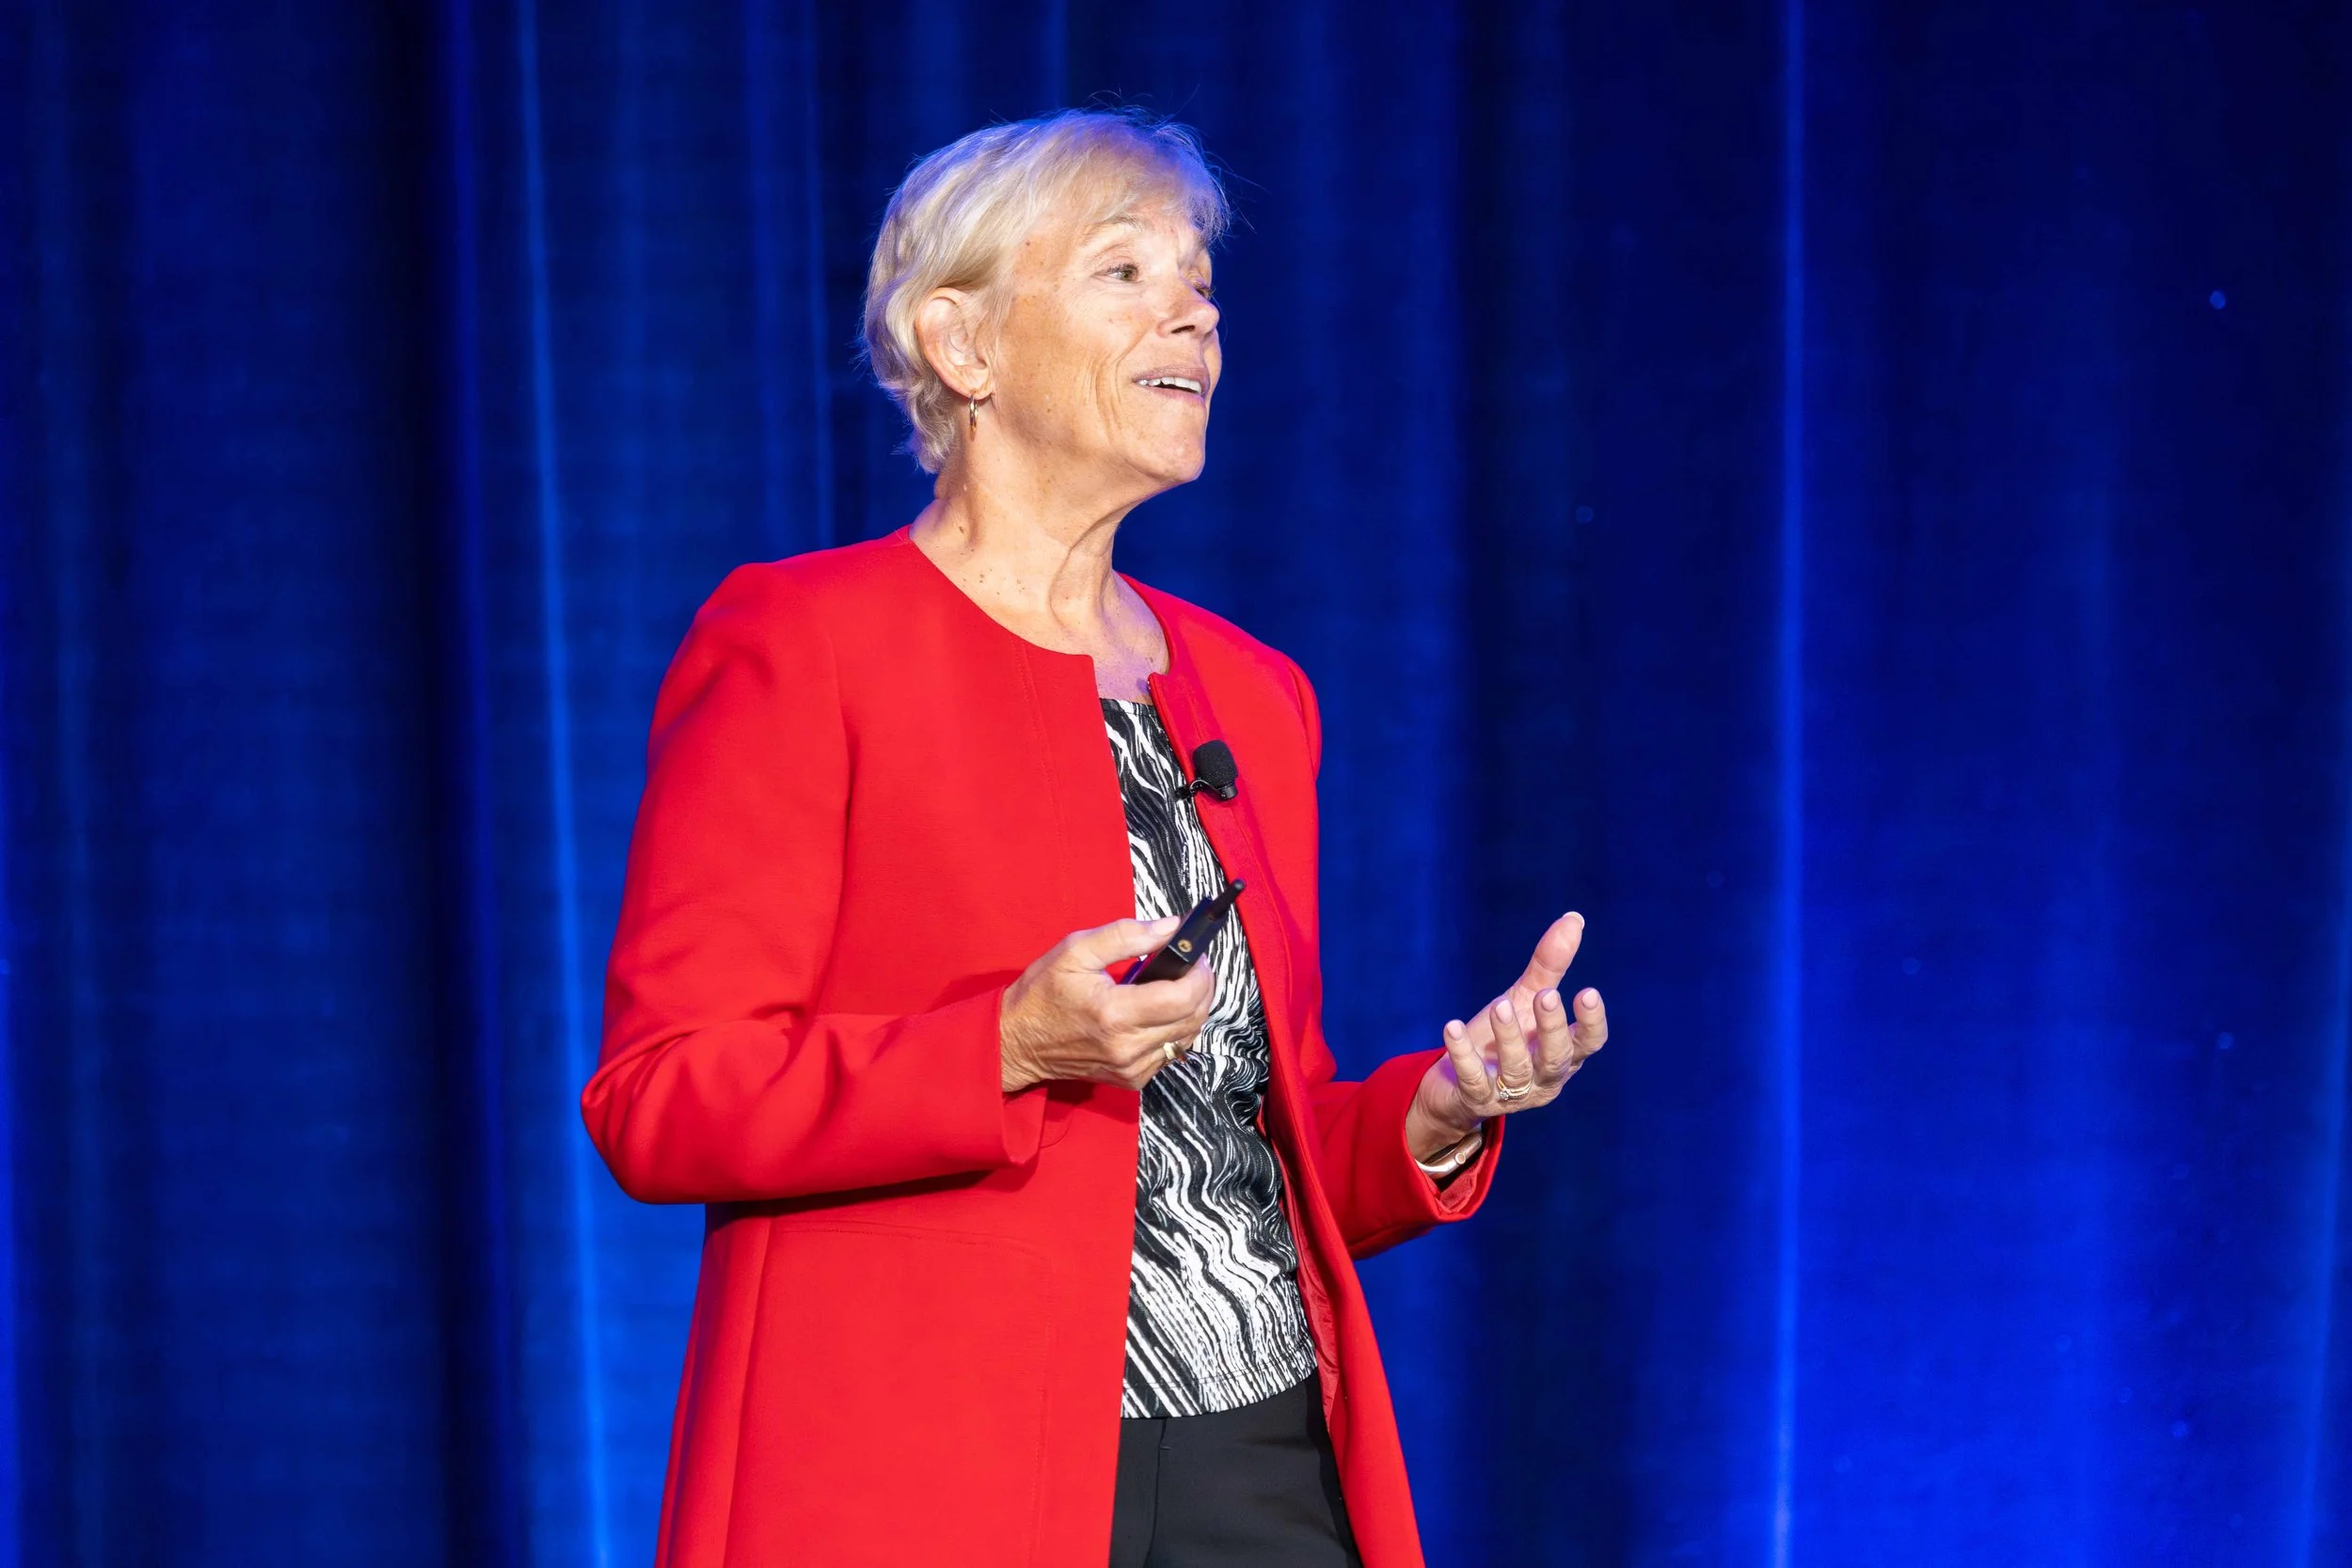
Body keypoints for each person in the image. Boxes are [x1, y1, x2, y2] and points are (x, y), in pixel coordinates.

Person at [582, 106, 1610, 1568]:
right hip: (922, 1473)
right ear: (964, 345)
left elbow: (1262, 1141)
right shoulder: (801, 645)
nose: (1193, 306)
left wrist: (1441, 1110)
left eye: (1198, 275)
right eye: (1125, 269)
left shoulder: (1252, 692)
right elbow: (659, 1094)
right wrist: (1002, 1043)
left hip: (1260, 1458)